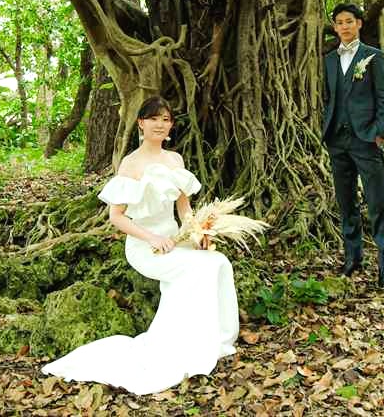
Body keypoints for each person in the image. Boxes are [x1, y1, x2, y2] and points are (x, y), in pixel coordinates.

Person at [41, 97, 239, 395]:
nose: (161, 124)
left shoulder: (175, 160)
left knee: (217, 261)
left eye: (166, 119)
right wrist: (152, 238)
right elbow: (116, 217)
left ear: (171, 126)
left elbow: (184, 208)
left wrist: (197, 231)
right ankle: (175, 345)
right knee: (200, 267)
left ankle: (213, 339)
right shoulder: (131, 164)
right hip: (145, 246)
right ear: (141, 123)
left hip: (176, 240)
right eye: (154, 118)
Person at [321, 3, 384, 290]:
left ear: (359, 24)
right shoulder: (329, 60)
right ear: (335, 26)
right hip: (337, 142)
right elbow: (330, 97)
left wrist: (378, 133)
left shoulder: (373, 57)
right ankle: (353, 258)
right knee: (346, 203)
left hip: (366, 140)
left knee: (378, 204)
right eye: (339, 22)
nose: (344, 26)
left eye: (349, 21)